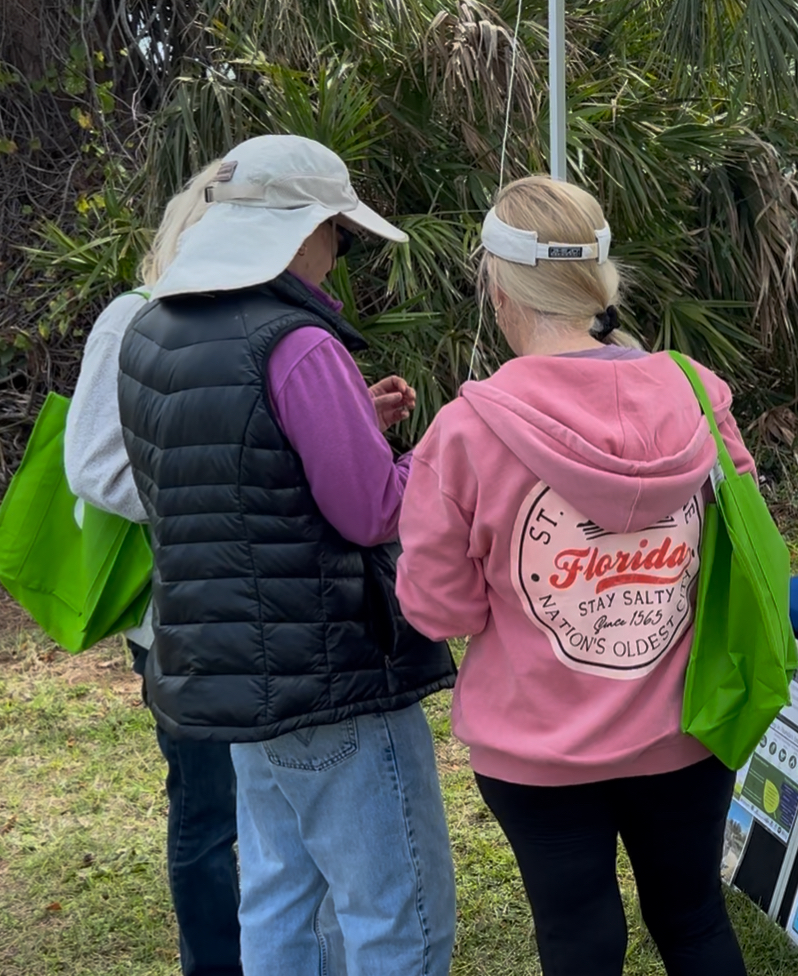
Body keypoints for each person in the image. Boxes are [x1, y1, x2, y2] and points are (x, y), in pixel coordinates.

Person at [396, 175, 755, 976]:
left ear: (498, 287)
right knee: (695, 920)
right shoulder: (698, 394)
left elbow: (441, 609)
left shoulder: (464, 433)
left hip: (536, 748)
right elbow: (740, 538)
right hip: (685, 727)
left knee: (576, 938)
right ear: (600, 279)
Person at [116, 134, 456, 976]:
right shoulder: (297, 343)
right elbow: (373, 511)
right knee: (396, 915)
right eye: (338, 231)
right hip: (331, 669)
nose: (337, 252)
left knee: (276, 899)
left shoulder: (152, 331)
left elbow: (226, 474)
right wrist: (446, 447)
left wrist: (349, 420)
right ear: (301, 228)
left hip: (230, 674)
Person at [64, 160, 247, 976]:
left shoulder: (248, 322)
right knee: (209, 808)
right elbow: (93, 466)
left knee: (265, 806)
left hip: (252, 603)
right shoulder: (133, 318)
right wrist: (216, 492)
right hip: (176, 615)